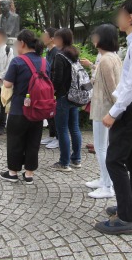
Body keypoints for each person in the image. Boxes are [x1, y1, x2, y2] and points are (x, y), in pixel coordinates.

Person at [95, 0, 132, 235]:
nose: (118, 17)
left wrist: (113, 112)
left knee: (114, 160)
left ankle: (125, 218)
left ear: (130, 18)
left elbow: (131, 86)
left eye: (121, 13)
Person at [0, 29, 48, 185]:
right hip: (38, 109)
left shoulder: (17, 61)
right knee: (33, 141)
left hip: (20, 109)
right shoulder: (45, 62)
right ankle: (29, 174)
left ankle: (13, 173)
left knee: (15, 140)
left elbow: (7, 84)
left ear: (22, 43)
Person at [80, 24, 122, 199]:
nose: (93, 39)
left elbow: (113, 89)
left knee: (101, 147)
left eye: (95, 36)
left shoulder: (105, 59)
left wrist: (115, 111)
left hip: (104, 109)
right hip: (106, 109)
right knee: (103, 147)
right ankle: (104, 179)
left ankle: (107, 185)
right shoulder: (113, 57)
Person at [50, 28, 82, 172]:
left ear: (61, 40)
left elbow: (57, 80)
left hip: (63, 97)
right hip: (75, 96)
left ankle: (64, 162)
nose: (54, 41)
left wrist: (52, 92)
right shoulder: (74, 54)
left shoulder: (59, 56)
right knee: (74, 128)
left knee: (62, 129)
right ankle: (76, 159)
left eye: (56, 38)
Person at [40, 27, 59, 149]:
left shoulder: (57, 52)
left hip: (54, 88)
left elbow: (56, 72)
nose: (43, 37)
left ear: (52, 38)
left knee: (55, 113)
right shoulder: (48, 51)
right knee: (49, 112)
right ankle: (51, 135)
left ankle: (58, 137)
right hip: (48, 86)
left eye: (45, 35)